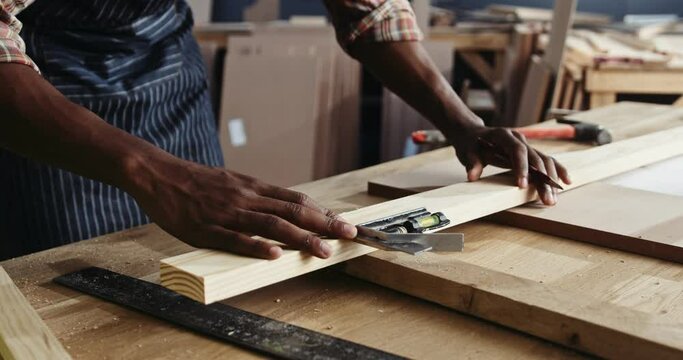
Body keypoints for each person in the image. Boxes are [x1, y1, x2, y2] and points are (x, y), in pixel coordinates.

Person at [0, 0, 570, 261]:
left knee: (209, 246)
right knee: (79, 279)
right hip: (41, 78)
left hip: (165, 54)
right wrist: (150, 172)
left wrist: (463, 124)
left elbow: (370, 12)